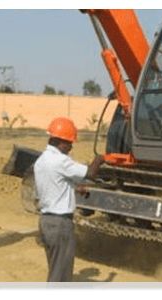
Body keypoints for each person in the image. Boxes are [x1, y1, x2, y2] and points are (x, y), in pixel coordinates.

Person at [34, 117, 104, 288]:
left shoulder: (41, 161)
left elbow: (54, 185)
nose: (71, 147)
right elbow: (91, 173)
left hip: (46, 222)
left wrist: (73, 187)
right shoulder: (61, 160)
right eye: (70, 143)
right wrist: (100, 159)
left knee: (55, 270)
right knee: (61, 277)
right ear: (61, 142)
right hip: (60, 224)